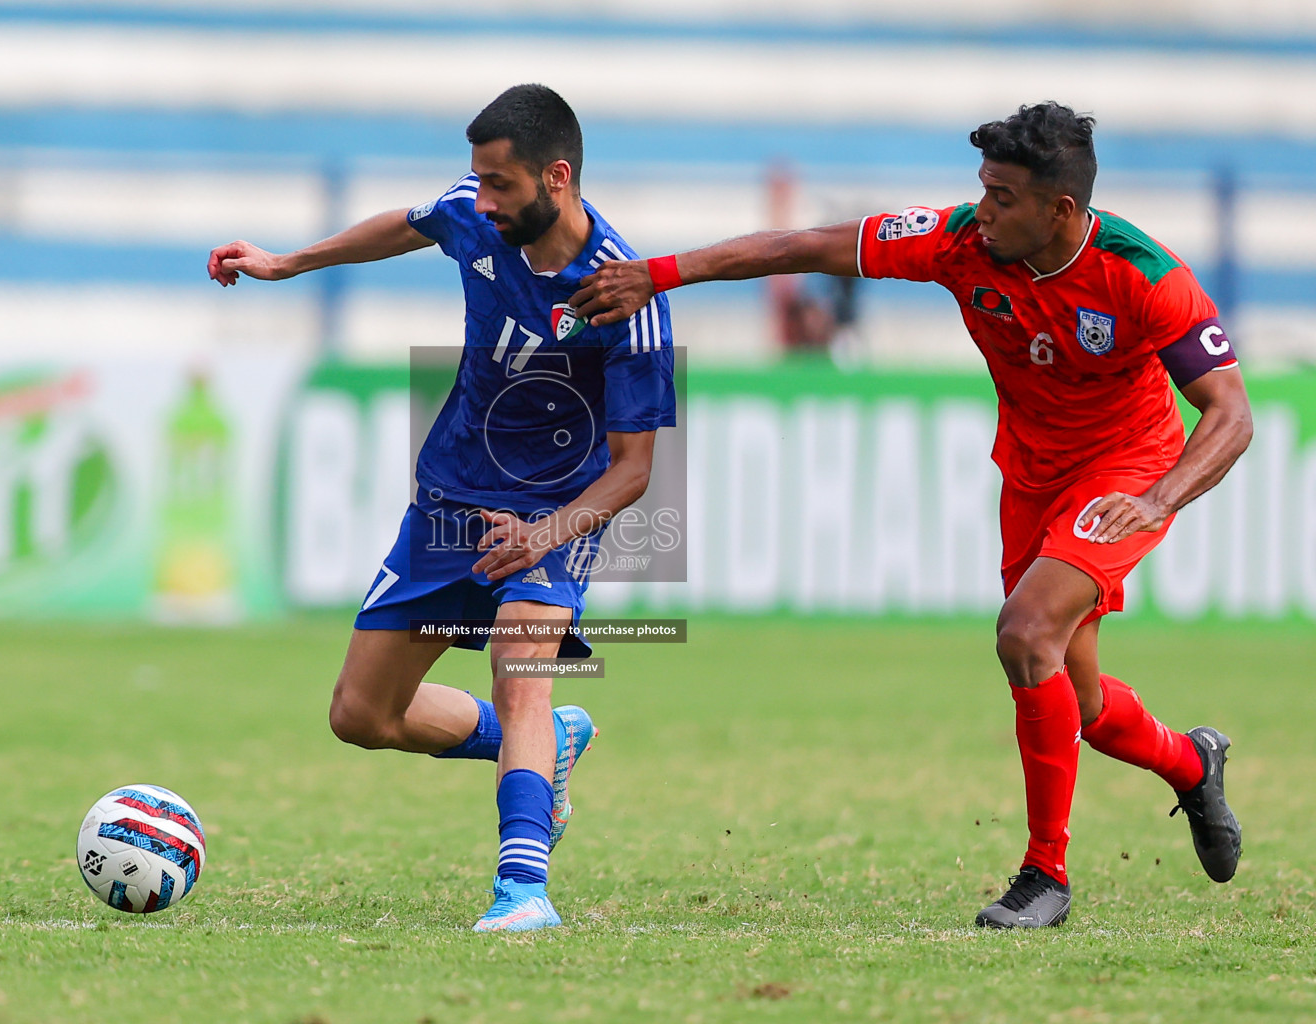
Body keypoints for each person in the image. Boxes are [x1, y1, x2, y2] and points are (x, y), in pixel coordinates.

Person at [569, 102, 1249, 929]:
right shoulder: (958, 241)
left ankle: (1046, 877)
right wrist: (659, 273)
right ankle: (1190, 761)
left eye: (1003, 196)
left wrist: (1155, 499)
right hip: (1033, 473)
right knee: (1085, 701)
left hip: (1124, 473)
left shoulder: (1143, 273)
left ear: (1061, 210)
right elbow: (799, 247)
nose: (983, 209)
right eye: (982, 189)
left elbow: (1230, 415)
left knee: (1025, 633)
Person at [207, 84, 676, 932]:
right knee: (361, 715)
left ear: (557, 178)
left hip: (553, 511)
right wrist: (286, 264)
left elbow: (634, 471)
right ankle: (539, 746)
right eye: (478, 180)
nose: (481, 198)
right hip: (449, 497)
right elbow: (407, 224)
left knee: (521, 663)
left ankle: (523, 892)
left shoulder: (623, 294)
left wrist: (547, 534)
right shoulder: (474, 214)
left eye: (500, 183)